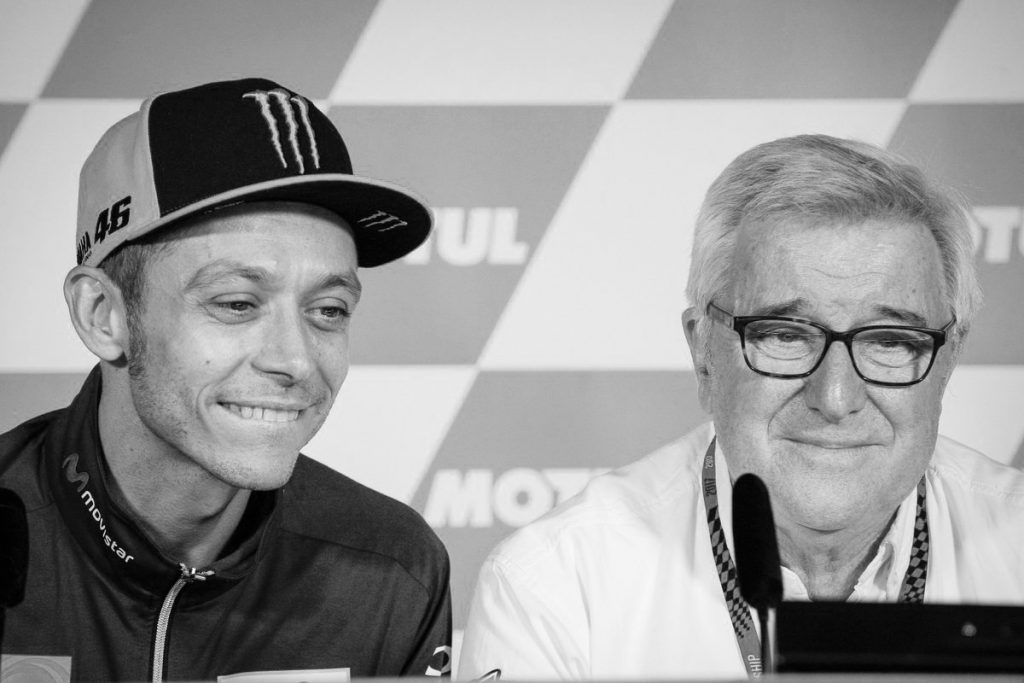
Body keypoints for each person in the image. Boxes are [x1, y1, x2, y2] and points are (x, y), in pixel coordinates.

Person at [458, 134, 1024, 679]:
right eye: (785, 335)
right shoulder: (556, 583)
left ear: (948, 362)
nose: (835, 398)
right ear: (704, 353)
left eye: (890, 342)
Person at [0, 78, 452, 681]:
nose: (296, 361)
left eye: (328, 310)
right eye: (237, 303)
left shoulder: (393, 569)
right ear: (103, 315)